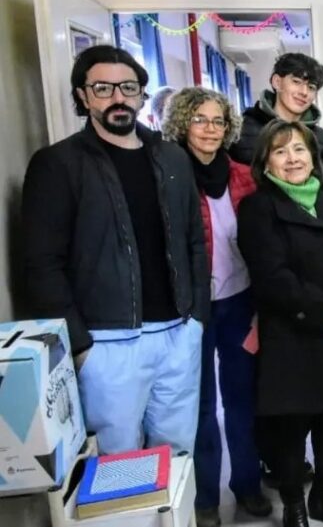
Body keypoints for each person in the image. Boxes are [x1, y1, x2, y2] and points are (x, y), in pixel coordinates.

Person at [22, 45, 208, 456]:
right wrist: (80, 345)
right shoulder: (58, 164)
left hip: (177, 333)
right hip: (106, 343)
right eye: (103, 88)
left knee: (177, 457)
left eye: (128, 87)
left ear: (142, 94)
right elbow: (41, 264)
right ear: (83, 96)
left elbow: (195, 241)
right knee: (116, 465)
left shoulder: (172, 157)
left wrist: (196, 318)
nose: (118, 98)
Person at [237, 120, 323, 527]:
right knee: (291, 427)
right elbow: (274, 277)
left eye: (299, 149)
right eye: (280, 152)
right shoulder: (259, 208)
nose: (292, 159)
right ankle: (295, 506)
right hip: (293, 334)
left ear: (313, 157)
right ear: (266, 163)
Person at [161, 87, 270, 526]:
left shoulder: (244, 175)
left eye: (218, 121)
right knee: (202, 407)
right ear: (182, 124)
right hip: (194, 312)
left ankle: (246, 486)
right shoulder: (168, 176)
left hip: (241, 302)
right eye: (200, 120)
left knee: (243, 399)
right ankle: (205, 498)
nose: (210, 129)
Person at [228, 53, 323, 167]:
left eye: (311, 87)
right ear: (277, 82)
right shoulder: (240, 130)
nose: (304, 92)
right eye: (296, 82)